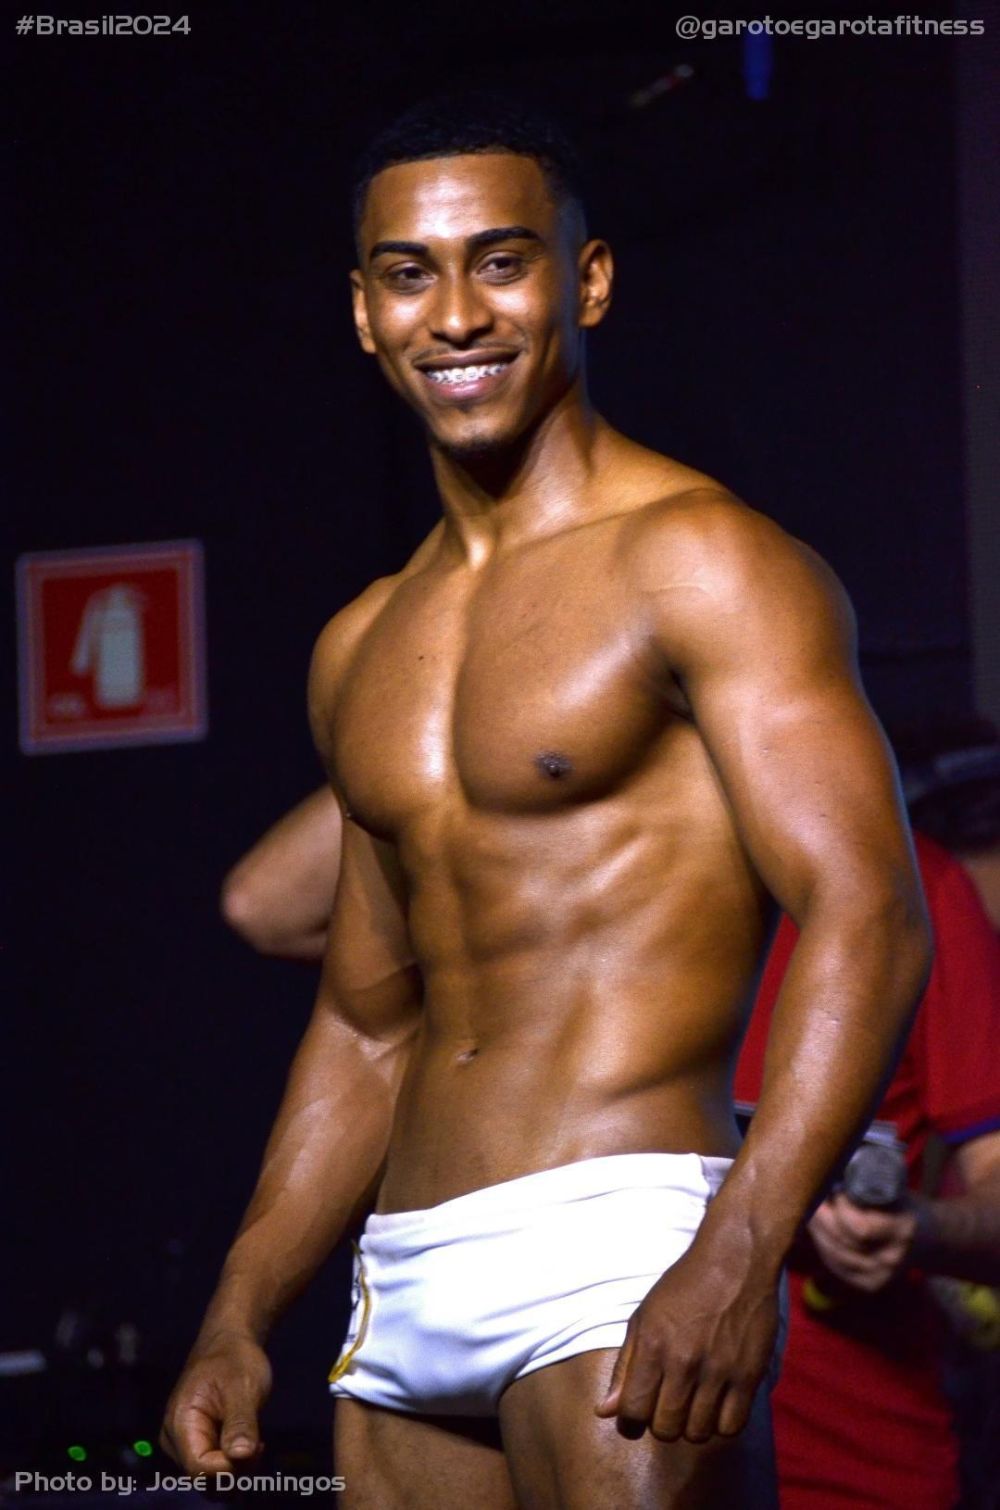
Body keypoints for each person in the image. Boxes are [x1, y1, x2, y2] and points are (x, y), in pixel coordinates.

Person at [160, 93, 932, 1509]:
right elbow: (366, 1019)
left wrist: (739, 1246)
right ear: (363, 311)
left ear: (589, 279)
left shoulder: (700, 560)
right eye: (409, 274)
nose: (456, 314)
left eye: (501, 262)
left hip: (617, 1239)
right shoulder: (360, 643)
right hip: (405, 1276)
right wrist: (239, 1306)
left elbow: (867, 911)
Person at [736, 830, 1000, 1509]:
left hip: (851, 1463)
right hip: (605, 1440)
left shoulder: (916, 887)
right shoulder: (573, 865)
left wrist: (917, 1227)